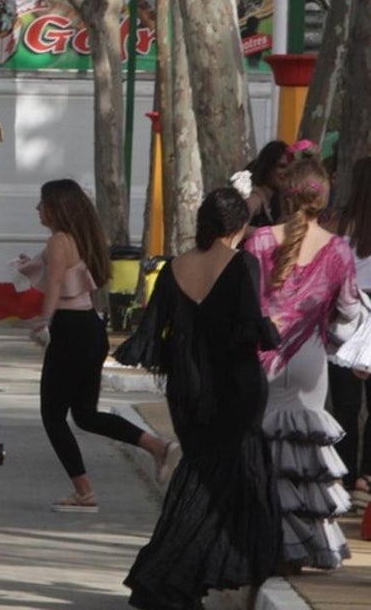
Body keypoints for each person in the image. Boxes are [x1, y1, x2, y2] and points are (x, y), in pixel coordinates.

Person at [116, 187, 282, 609]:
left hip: (188, 391)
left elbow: (152, 332)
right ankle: (182, 569)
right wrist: (272, 326)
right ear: (239, 226)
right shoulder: (243, 264)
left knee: (202, 474)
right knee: (237, 478)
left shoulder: (175, 268)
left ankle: (195, 571)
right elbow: (249, 328)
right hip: (236, 388)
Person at [245, 147, 370, 572]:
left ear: (286, 195)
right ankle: (297, 551)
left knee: (261, 453)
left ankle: (259, 543)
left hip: (261, 358)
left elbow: (243, 302)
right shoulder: (337, 250)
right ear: (323, 199)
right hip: (310, 359)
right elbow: (350, 312)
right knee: (302, 459)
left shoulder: (259, 240)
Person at [17, 179, 175, 512]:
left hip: (70, 330)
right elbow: (56, 273)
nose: (37, 209)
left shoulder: (59, 240)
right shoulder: (80, 237)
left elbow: (57, 283)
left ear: (57, 207)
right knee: (85, 414)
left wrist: (44, 321)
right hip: (90, 328)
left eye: (42, 203)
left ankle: (84, 490)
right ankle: (157, 446)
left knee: (53, 415)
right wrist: (29, 266)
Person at [328, 155, 371, 501]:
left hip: (343, 320)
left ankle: (343, 475)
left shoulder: (337, 225)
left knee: (344, 407)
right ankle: (366, 478)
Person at [246, 139, 289, 229]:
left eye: (290, 167)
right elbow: (235, 228)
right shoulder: (255, 198)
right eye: (282, 166)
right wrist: (266, 234)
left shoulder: (276, 200)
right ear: (268, 166)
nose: (287, 172)